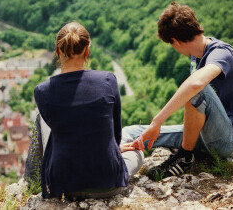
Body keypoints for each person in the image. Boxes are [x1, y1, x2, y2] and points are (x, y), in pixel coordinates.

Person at [124, 2, 233, 180]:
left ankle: (184, 157)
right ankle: (117, 166)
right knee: (131, 133)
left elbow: (196, 85)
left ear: (175, 41)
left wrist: (157, 121)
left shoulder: (222, 52)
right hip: (204, 134)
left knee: (198, 89)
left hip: (228, 141)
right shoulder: (197, 55)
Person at [24, 22, 143, 199]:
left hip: (67, 183)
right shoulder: (108, 80)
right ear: (87, 51)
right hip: (108, 182)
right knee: (137, 152)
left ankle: (31, 178)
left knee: (43, 121)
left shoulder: (42, 91)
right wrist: (114, 150)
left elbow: (64, 129)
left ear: (57, 51)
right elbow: (116, 134)